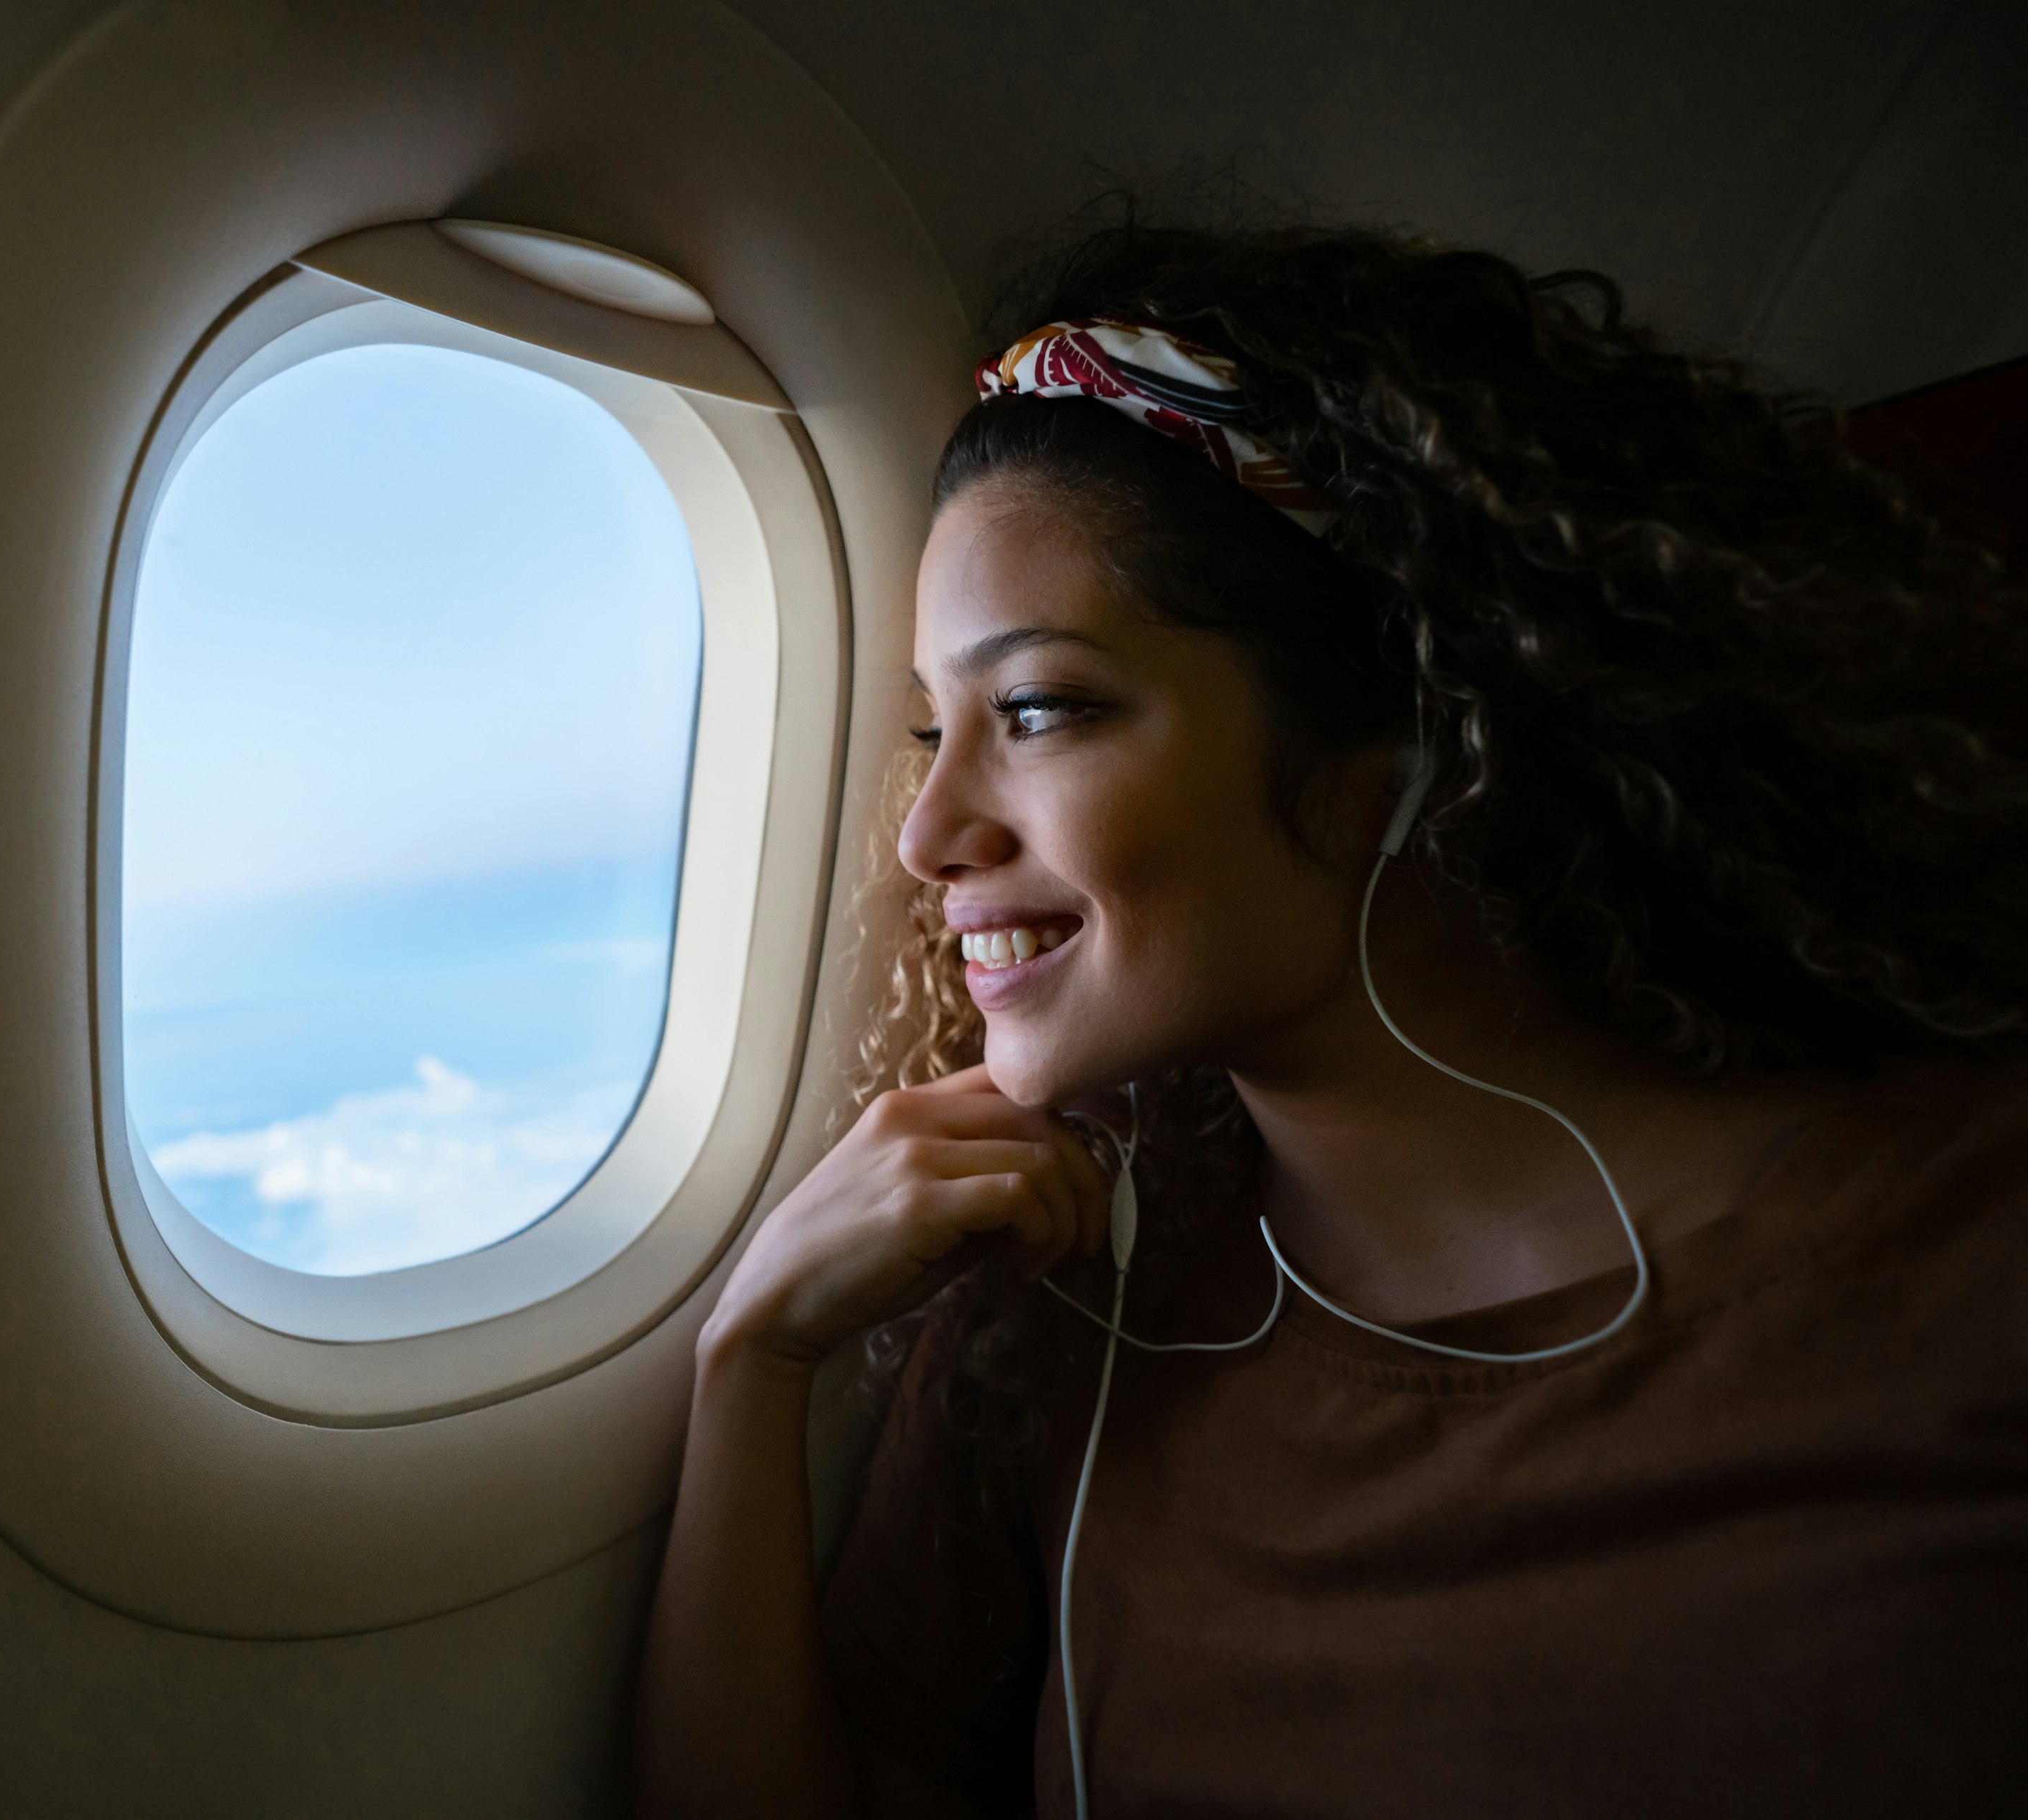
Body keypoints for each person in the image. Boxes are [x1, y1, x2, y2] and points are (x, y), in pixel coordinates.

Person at [631, 218, 2028, 1819]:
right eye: (930, 731)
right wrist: (756, 1359)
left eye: (1038, 711)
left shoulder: (1970, 1245)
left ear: (1421, 723)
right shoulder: (1068, 1294)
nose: (926, 833)